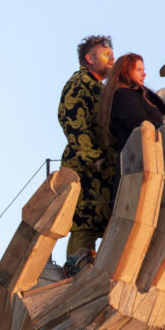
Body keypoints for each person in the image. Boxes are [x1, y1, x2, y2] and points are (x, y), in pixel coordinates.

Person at [58, 34, 115, 275]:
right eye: (105, 54)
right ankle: (75, 274)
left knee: (101, 222)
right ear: (89, 58)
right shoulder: (80, 82)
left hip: (103, 171)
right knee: (85, 223)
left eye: (112, 54)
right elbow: (71, 120)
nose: (112, 57)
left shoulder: (99, 87)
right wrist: (93, 157)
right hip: (88, 169)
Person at [97, 52, 165, 157]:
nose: (144, 74)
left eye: (143, 70)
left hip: (144, 154)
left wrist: (140, 88)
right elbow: (140, 123)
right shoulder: (124, 95)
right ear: (125, 72)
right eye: (139, 70)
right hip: (136, 158)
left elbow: (161, 108)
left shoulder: (136, 94)